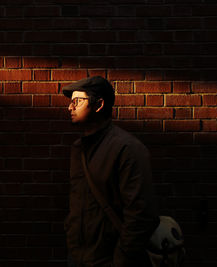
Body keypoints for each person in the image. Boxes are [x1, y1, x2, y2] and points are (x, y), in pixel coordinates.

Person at [63, 76, 159, 267]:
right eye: (70, 102)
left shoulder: (127, 149)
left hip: (110, 260)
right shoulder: (78, 149)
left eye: (77, 101)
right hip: (78, 257)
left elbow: (141, 214)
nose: (70, 108)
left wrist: (122, 259)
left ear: (98, 105)